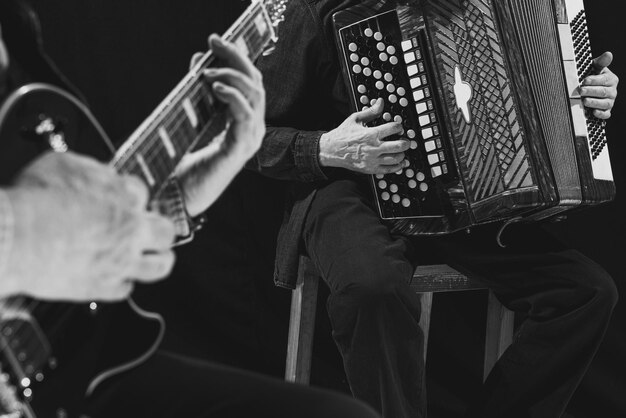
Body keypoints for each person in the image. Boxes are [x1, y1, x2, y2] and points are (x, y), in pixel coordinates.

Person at [0, 1, 382, 417]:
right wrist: (21, 234)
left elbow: (76, 228)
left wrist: (193, 182)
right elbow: (42, 232)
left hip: (61, 368)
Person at [250, 1, 620, 417]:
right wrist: (326, 148)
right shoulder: (310, 8)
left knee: (586, 293)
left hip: (462, 197)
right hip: (347, 186)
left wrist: (584, 92)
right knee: (372, 289)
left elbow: (548, 77)